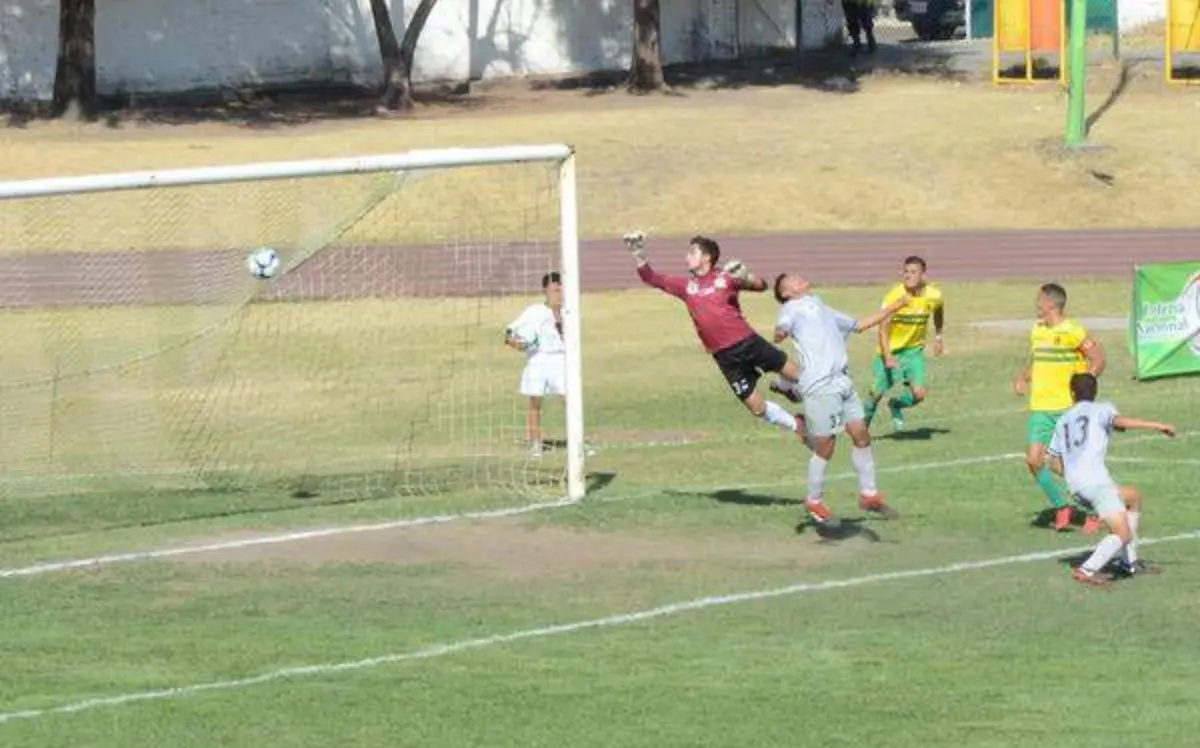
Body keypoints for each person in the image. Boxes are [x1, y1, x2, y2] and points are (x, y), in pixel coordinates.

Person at [624, 231, 808, 439]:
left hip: (748, 342)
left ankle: (794, 390)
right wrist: (638, 253)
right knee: (757, 408)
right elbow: (652, 278)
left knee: (799, 375)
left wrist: (746, 277)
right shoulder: (686, 287)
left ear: (707, 257)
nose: (687, 257)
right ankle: (797, 424)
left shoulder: (726, 276)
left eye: (692, 252)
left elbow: (761, 285)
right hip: (724, 356)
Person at [773, 271, 909, 524]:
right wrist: (780, 333)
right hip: (820, 386)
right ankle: (814, 499)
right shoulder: (793, 307)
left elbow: (859, 325)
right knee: (825, 446)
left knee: (861, 435)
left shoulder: (821, 306)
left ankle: (869, 494)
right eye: (791, 279)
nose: (799, 277)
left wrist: (897, 306)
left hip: (842, 381)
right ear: (785, 292)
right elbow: (781, 327)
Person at [1047, 373, 1175, 587]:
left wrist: (1074, 478)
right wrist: (1158, 425)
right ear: (1095, 391)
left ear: (1072, 394)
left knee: (1133, 497)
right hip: (1097, 484)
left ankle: (1130, 563)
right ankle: (1086, 570)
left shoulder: (1063, 421)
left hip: (1078, 485)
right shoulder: (1102, 409)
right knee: (1122, 533)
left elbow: (1052, 462)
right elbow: (1120, 421)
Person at [1012, 283, 1106, 532]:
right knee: (1033, 461)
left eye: (1040, 300)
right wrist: (1023, 377)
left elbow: (1098, 358)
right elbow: (1039, 362)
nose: (1037, 305)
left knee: (1062, 466)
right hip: (1040, 407)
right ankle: (1062, 506)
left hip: (1066, 408)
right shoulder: (1037, 330)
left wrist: (1087, 383)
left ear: (1051, 303)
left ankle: (1100, 506)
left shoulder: (1073, 331)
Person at [864, 255, 945, 432]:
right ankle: (862, 431)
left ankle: (896, 405)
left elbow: (938, 311)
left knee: (919, 394)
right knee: (875, 394)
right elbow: (882, 328)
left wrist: (938, 337)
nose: (908, 276)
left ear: (923, 275)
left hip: (913, 352)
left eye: (913, 272)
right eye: (906, 272)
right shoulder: (895, 296)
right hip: (890, 351)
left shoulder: (934, 296)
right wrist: (888, 356)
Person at [505, 271, 566, 458]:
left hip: (561, 358)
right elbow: (509, 333)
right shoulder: (534, 311)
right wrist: (516, 343)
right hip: (538, 359)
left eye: (560, 289)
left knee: (569, 400)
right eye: (554, 289)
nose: (558, 293)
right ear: (545, 290)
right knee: (535, 401)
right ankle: (535, 442)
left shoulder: (569, 311)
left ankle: (578, 442)